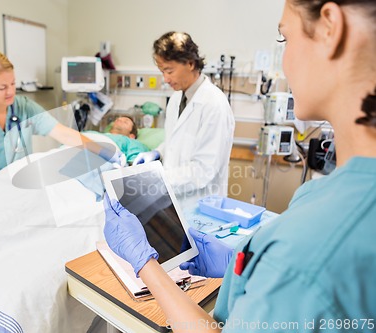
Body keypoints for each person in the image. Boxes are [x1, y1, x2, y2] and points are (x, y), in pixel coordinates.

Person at [104, 1, 376, 332]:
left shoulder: (309, 255)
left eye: (284, 40)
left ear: (330, 28)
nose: (285, 63)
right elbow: (175, 142)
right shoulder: (317, 195)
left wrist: (146, 266)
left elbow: (203, 170)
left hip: (198, 200)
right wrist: (240, 261)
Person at [0, 48, 120, 195]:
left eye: (13, 83)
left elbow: (63, 133)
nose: (10, 91)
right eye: (2, 87)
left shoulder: (24, 108)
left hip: (17, 193)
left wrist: (104, 151)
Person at [133, 31, 235, 207]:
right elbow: (175, 143)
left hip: (201, 205)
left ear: (190, 63)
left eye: (169, 71)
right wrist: (158, 153)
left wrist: (157, 180)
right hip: (174, 202)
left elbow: (203, 171)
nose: (165, 79)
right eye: (162, 71)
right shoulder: (176, 98)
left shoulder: (214, 105)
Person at [84, 116, 150, 164]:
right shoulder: (92, 132)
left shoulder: (131, 142)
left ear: (131, 136)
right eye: (118, 119)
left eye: (125, 122)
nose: (119, 120)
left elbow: (136, 164)